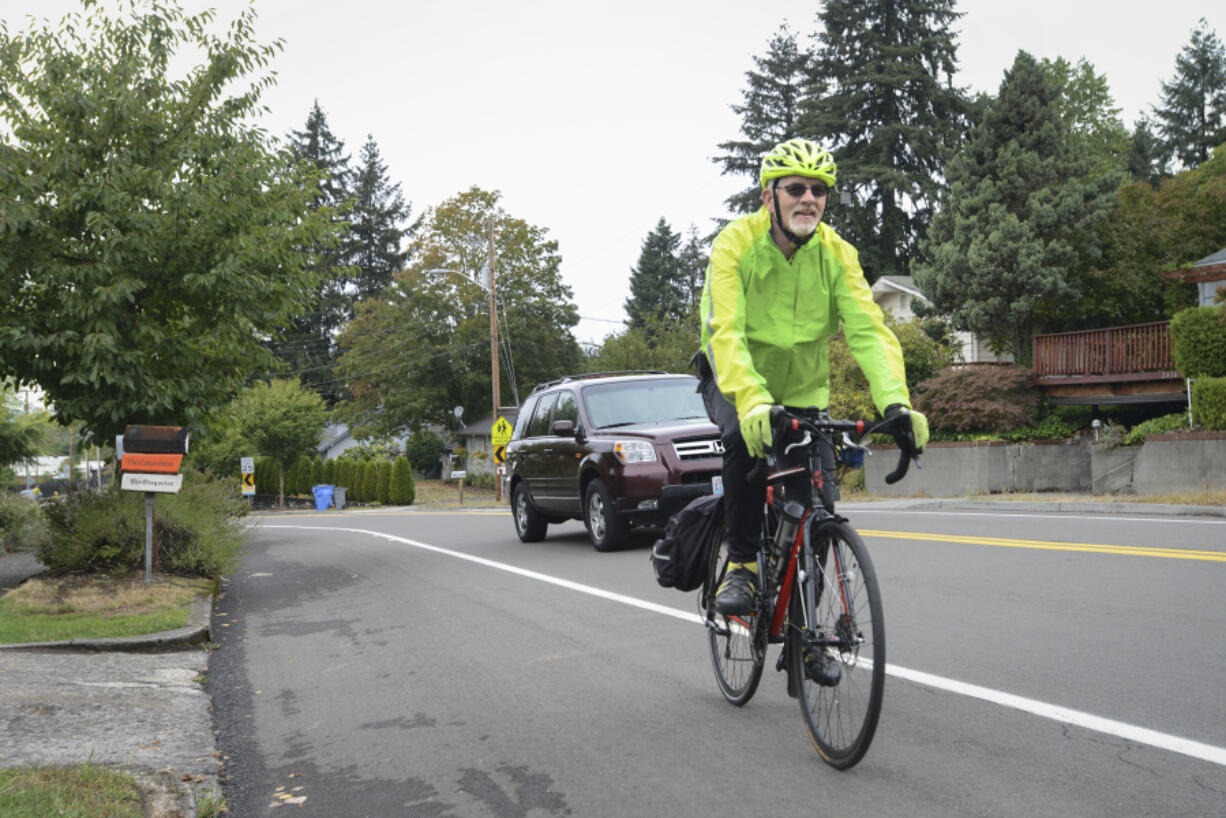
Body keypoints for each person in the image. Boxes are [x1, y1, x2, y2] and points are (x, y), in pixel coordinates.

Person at [697, 137, 929, 616]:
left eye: (820, 190)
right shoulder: (734, 245)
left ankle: (808, 639)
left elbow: (868, 331)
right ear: (769, 196)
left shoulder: (837, 254)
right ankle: (742, 564)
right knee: (745, 439)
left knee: (818, 502)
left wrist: (896, 403)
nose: (809, 199)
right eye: (796, 188)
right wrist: (753, 401)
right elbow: (727, 333)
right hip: (733, 377)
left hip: (803, 391)